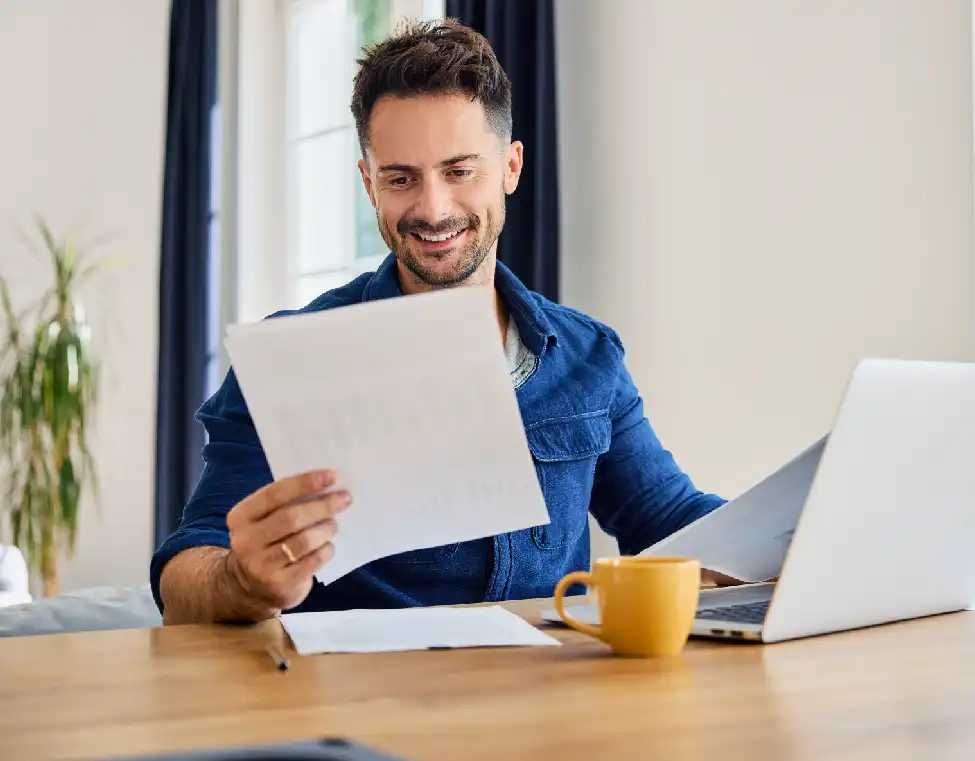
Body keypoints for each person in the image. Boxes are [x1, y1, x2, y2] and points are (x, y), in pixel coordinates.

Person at [152, 19, 727, 625]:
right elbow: (185, 580)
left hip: (549, 705)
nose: (432, 208)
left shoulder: (587, 355)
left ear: (510, 167)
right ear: (369, 186)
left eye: (459, 171)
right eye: (401, 178)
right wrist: (242, 580)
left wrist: (789, 540)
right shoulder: (291, 361)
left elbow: (667, 521)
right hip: (367, 705)